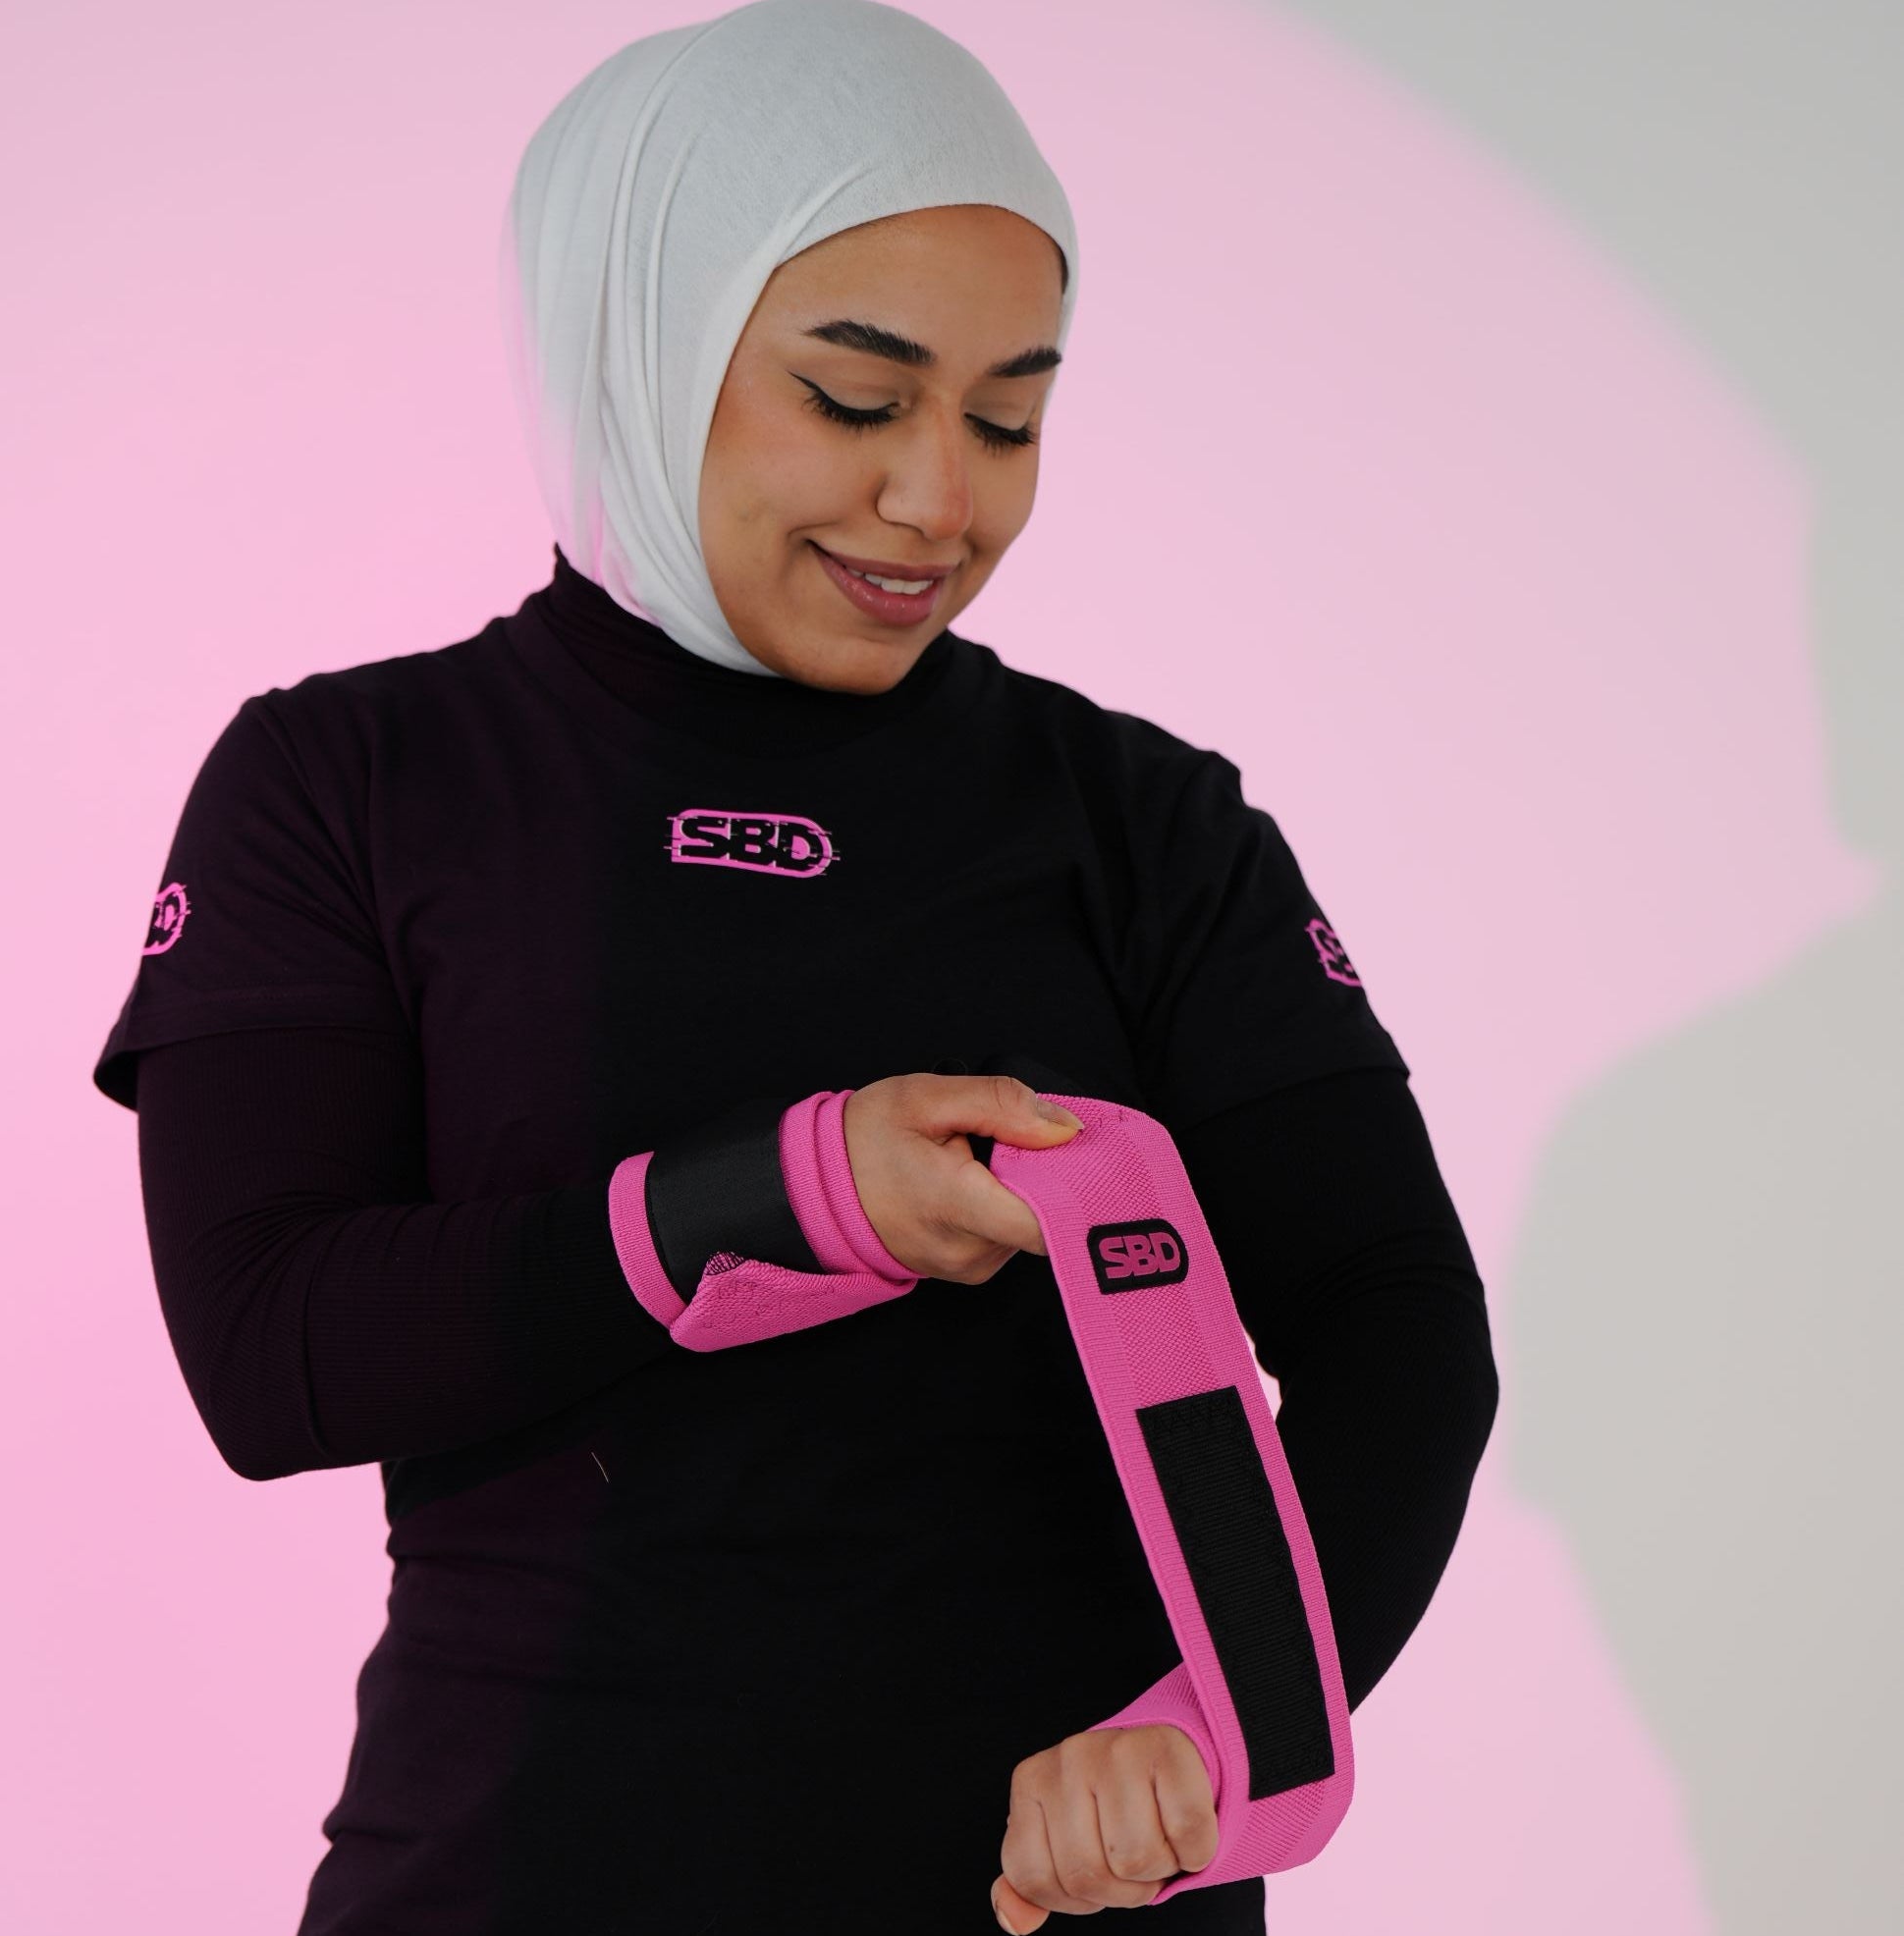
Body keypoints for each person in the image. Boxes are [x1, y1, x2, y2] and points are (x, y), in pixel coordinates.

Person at [91, 3, 1500, 1930]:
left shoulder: (1143, 821)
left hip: (1054, 1902)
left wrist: (1212, 1717)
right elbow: (270, 1350)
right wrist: (778, 1195)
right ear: (640, 340)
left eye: (1007, 416)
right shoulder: (353, 780)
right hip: (525, 1881)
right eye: (855, 399)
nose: (942, 500)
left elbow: (1394, 1319)